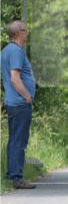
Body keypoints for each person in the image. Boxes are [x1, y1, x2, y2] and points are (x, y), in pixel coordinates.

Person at [2, 20, 36, 189]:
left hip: (12, 102)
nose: (27, 33)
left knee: (14, 139)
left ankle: (11, 173)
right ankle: (17, 177)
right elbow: (15, 78)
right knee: (20, 140)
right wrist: (27, 96)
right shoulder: (16, 52)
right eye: (26, 30)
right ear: (19, 32)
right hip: (20, 102)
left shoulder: (7, 50)